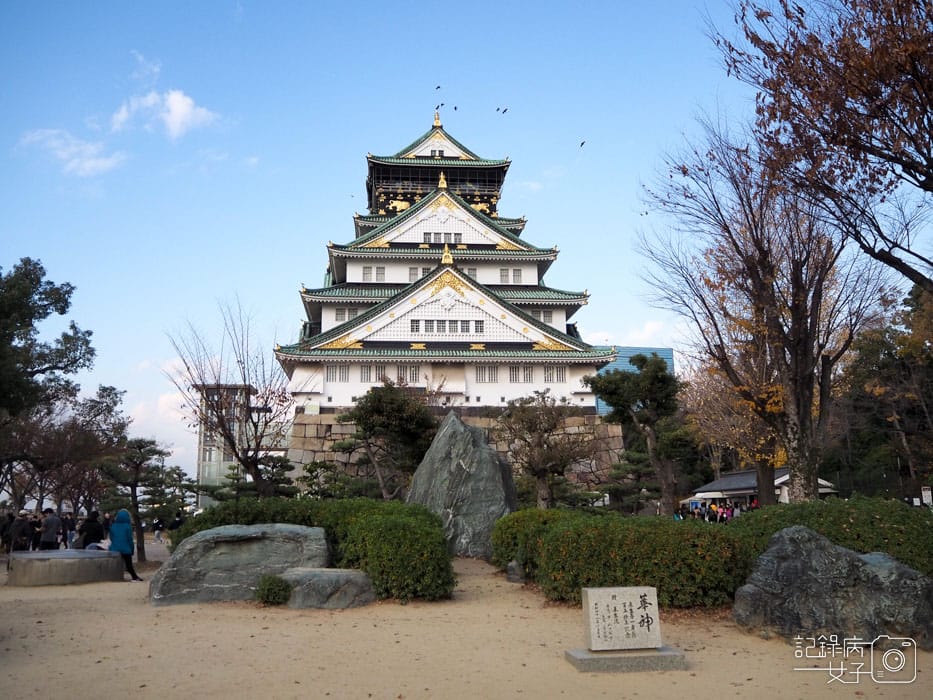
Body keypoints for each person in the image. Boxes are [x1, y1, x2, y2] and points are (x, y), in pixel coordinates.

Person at [108, 509, 143, 582]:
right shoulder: (127, 526)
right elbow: (130, 539)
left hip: (114, 548)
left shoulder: (113, 526)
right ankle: (134, 577)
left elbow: (111, 537)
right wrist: (132, 549)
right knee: (129, 565)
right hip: (125, 549)